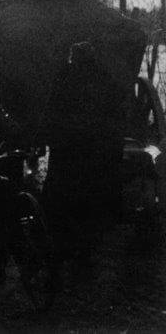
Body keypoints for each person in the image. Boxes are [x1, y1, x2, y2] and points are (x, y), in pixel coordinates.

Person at [38, 41, 124, 270]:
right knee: (88, 198)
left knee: (60, 194)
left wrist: (43, 137)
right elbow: (115, 115)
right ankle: (84, 250)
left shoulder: (65, 77)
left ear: (74, 57)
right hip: (93, 149)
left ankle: (60, 246)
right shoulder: (105, 79)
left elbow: (52, 110)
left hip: (68, 147)